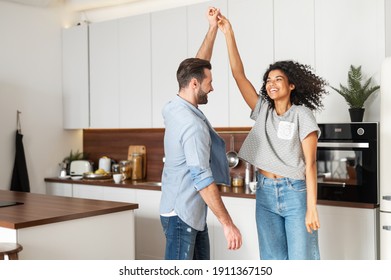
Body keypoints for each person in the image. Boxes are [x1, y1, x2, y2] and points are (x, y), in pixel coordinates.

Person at [216, 14, 328, 260]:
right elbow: (238, 75)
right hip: (265, 192)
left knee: (302, 261)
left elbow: (310, 164)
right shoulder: (263, 110)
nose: (272, 83)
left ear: (291, 86)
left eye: (279, 79)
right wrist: (228, 33)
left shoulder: (302, 115)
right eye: (268, 80)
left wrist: (312, 207)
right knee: (273, 262)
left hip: (295, 192)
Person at [159, 7, 242, 260]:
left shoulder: (175, 106)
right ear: (195, 84)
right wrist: (228, 224)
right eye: (209, 83)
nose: (212, 88)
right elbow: (202, 179)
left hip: (185, 212)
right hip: (183, 215)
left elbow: (196, 66)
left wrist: (212, 29)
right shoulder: (191, 125)